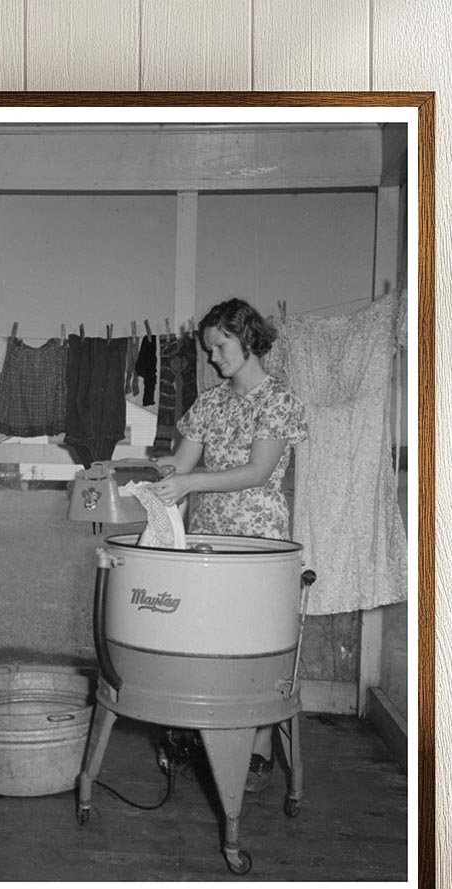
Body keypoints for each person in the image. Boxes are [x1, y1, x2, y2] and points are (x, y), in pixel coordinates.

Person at [151, 297, 308, 793]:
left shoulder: (278, 400)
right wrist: (162, 472)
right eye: (209, 349)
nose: (213, 357)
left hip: (257, 543)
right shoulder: (211, 402)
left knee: (253, 648)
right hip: (208, 542)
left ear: (247, 337)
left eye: (220, 346)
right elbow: (184, 463)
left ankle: (257, 752)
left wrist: (192, 482)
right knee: (207, 644)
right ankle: (205, 741)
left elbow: (259, 471)